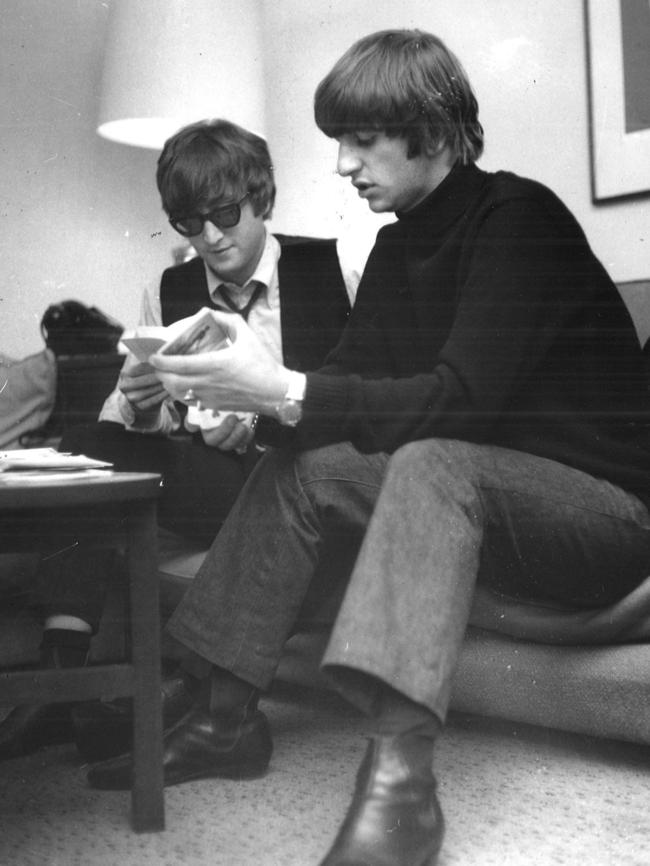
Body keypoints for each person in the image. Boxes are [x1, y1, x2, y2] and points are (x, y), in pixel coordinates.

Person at [86, 29, 650, 866]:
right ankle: (221, 717)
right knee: (305, 463)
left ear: (429, 128)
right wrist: (238, 377)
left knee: (433, 455)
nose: (344, 166)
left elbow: (460, 401)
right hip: (479, 506)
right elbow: (337, 392)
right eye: (339, 144)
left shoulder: (519, 219)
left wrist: (285, 390)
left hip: (600, 516)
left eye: (361, 140)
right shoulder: (394, 248)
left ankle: (399, 783)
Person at [0, 118, 351, 763]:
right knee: (86, 444)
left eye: (225, 214)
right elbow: (127, 426)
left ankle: (63, 694)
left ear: (263, 197)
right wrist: (139, 409)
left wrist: (258, 420)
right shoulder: (169, 289)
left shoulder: (334, 273)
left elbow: (356, 412)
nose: (210, 238)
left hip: (292, 489)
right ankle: (59, 677)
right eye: (190, 223)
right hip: (208, 484)